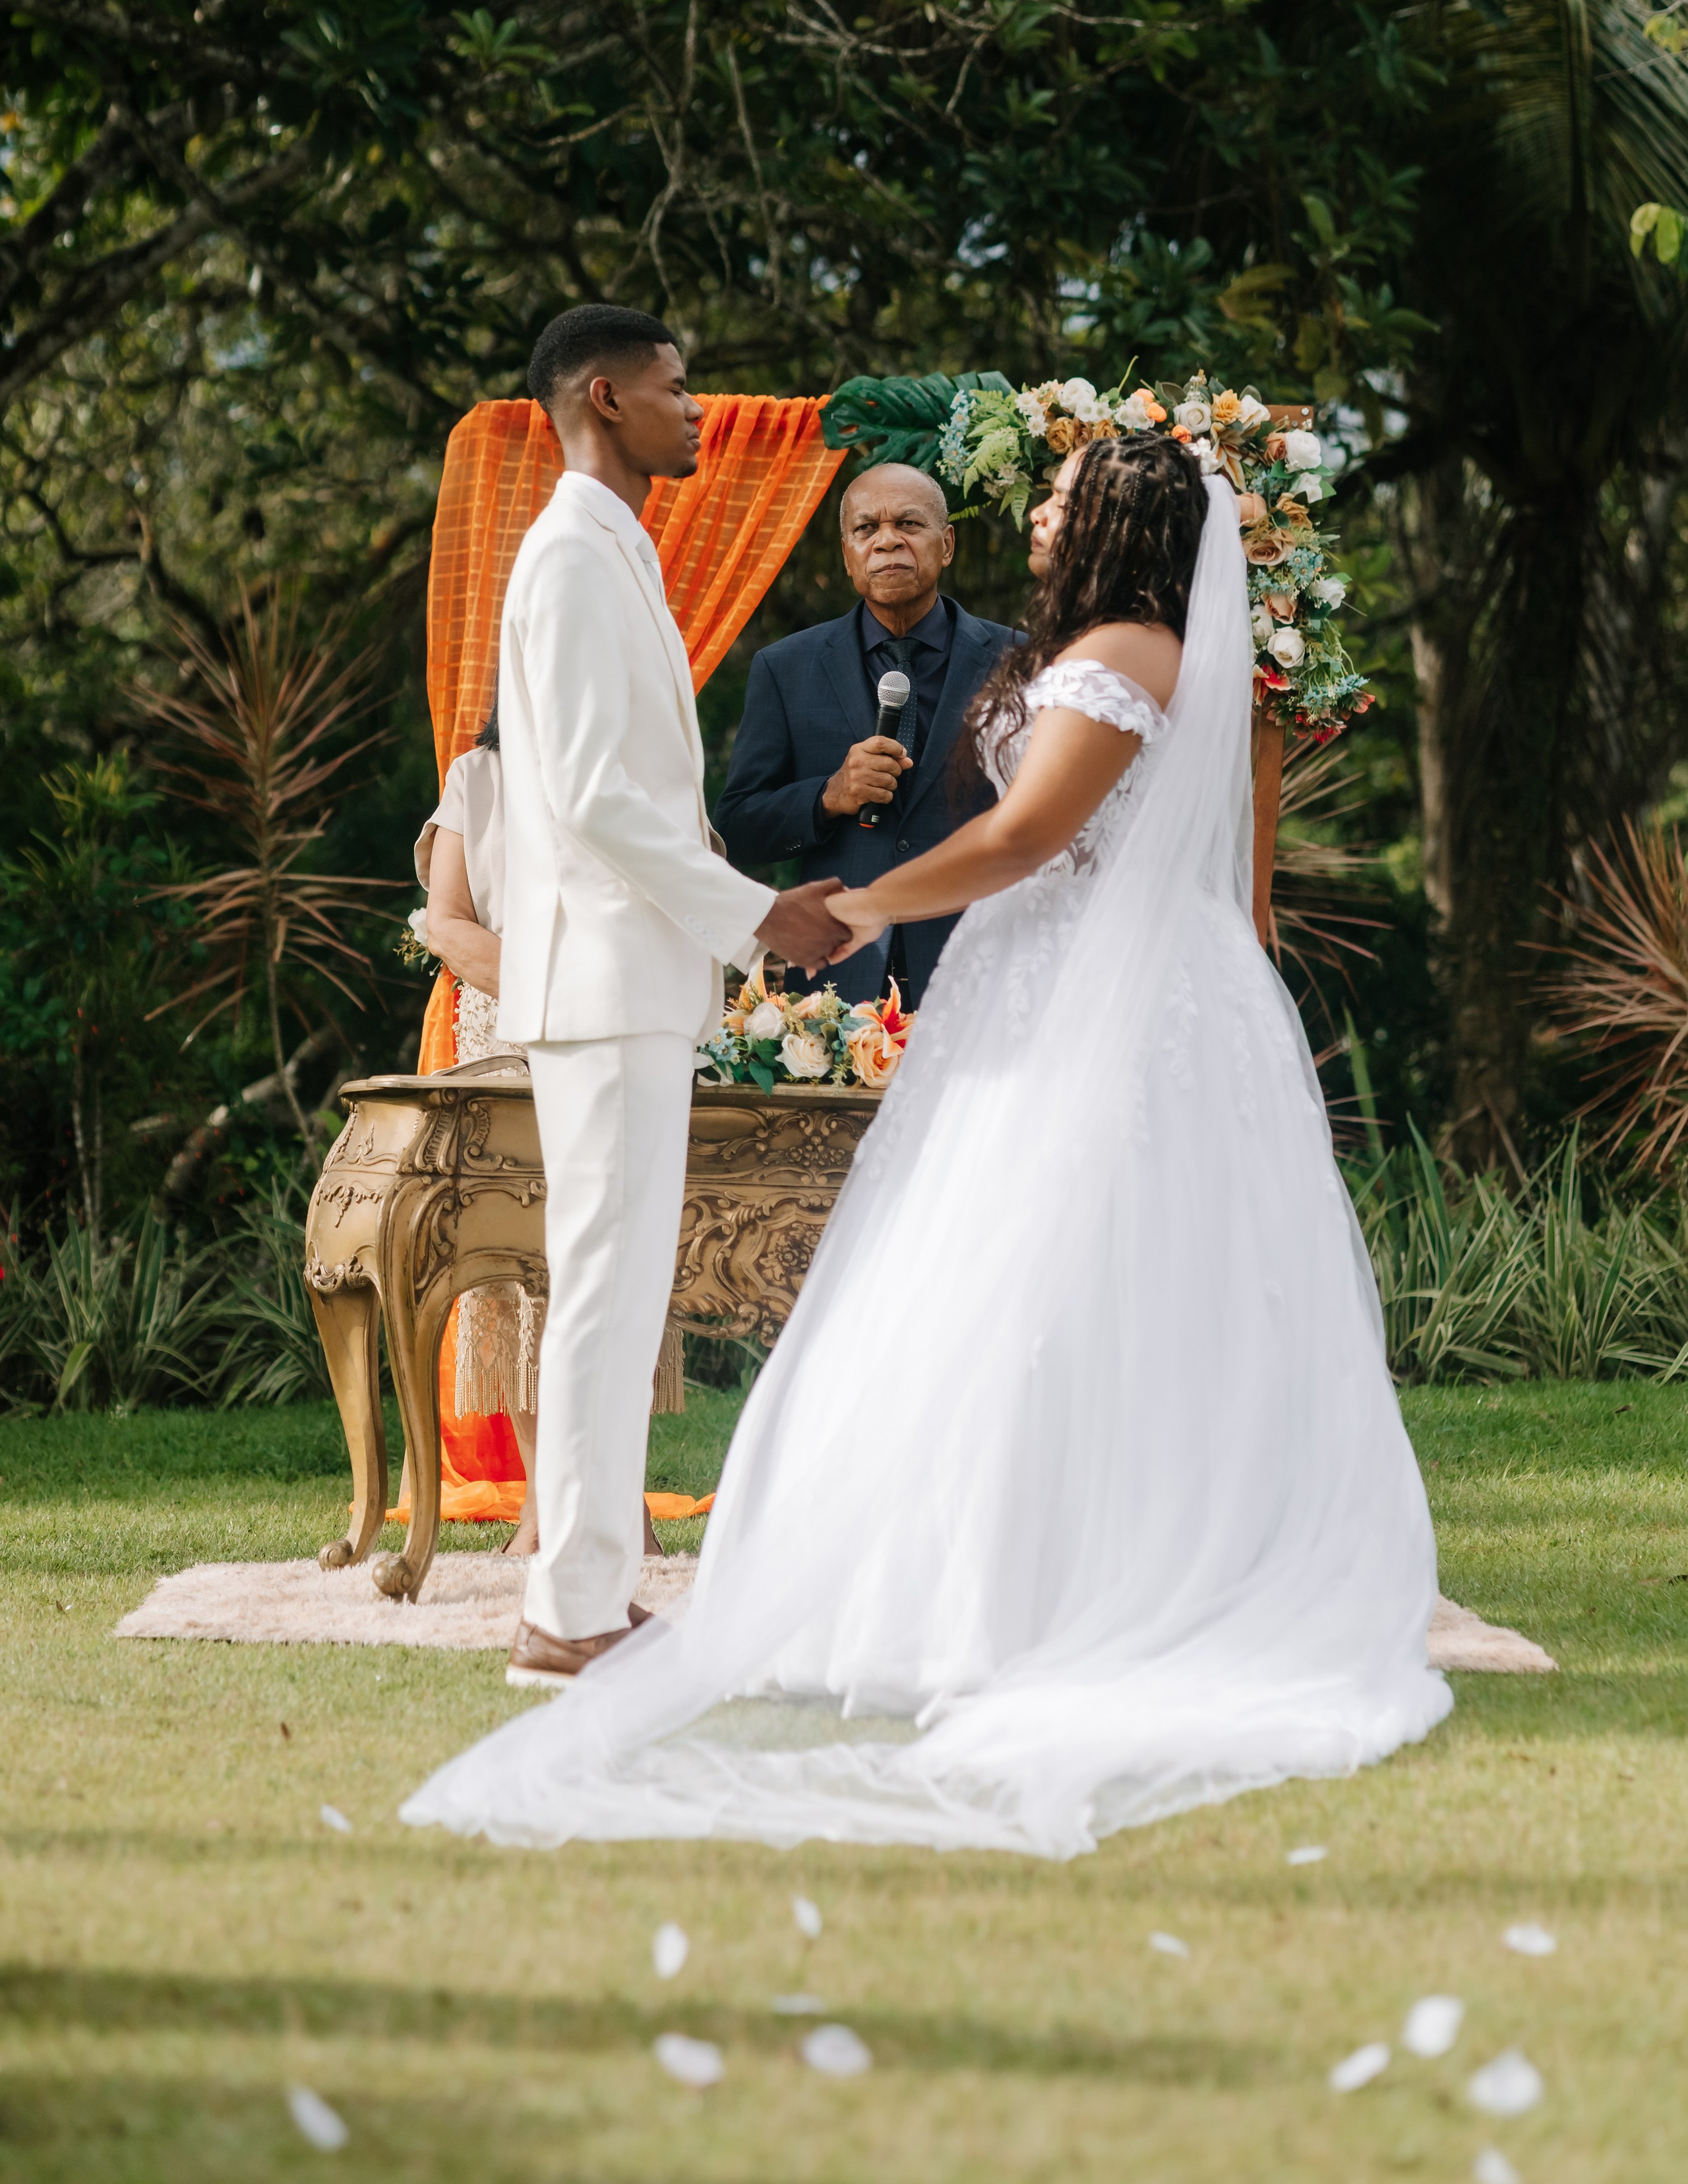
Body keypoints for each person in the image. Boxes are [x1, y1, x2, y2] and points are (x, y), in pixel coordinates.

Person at [404, 431, 1451, 1858]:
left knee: (1042, 1275)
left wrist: (862, 904)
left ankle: (1049, 1594)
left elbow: (1021, 840)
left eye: (1062, 498)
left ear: (1118, 522)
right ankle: (1041, 1574)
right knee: (1050, 1279)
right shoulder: (1121, 653)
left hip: (1098, 998)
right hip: (1063, 983)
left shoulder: (1122, 656)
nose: (1039, 512)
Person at [491, 302, 849, 1691]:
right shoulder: (570, 555)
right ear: (604, 398)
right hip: (599, 976)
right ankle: (564, 1614)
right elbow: (591, 796)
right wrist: (756, 911)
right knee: (603, 1290)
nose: (698, 409)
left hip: (630, 978)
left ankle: (586, 1596)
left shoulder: (616, 543)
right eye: (677, 387)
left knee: (621, 1291)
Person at [713, 464, 1013, 1008]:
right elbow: (737, 829)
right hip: (839, 984)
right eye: (866, 528)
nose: (888, 541)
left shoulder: (1020, 661)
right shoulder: (786, 667)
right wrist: (828, 797)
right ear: (847, 555)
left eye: (909, 524)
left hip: (983, 971)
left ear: (947, 544)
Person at [413, 704, 547, 1554]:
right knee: (513, 1271)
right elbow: (447, 921)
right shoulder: (477, 778)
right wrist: (548, 983)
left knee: (607, 1263)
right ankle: (545, 1504)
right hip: (503, 1036)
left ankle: (615, 1502)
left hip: (619, 1032)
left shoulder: (642, 757)